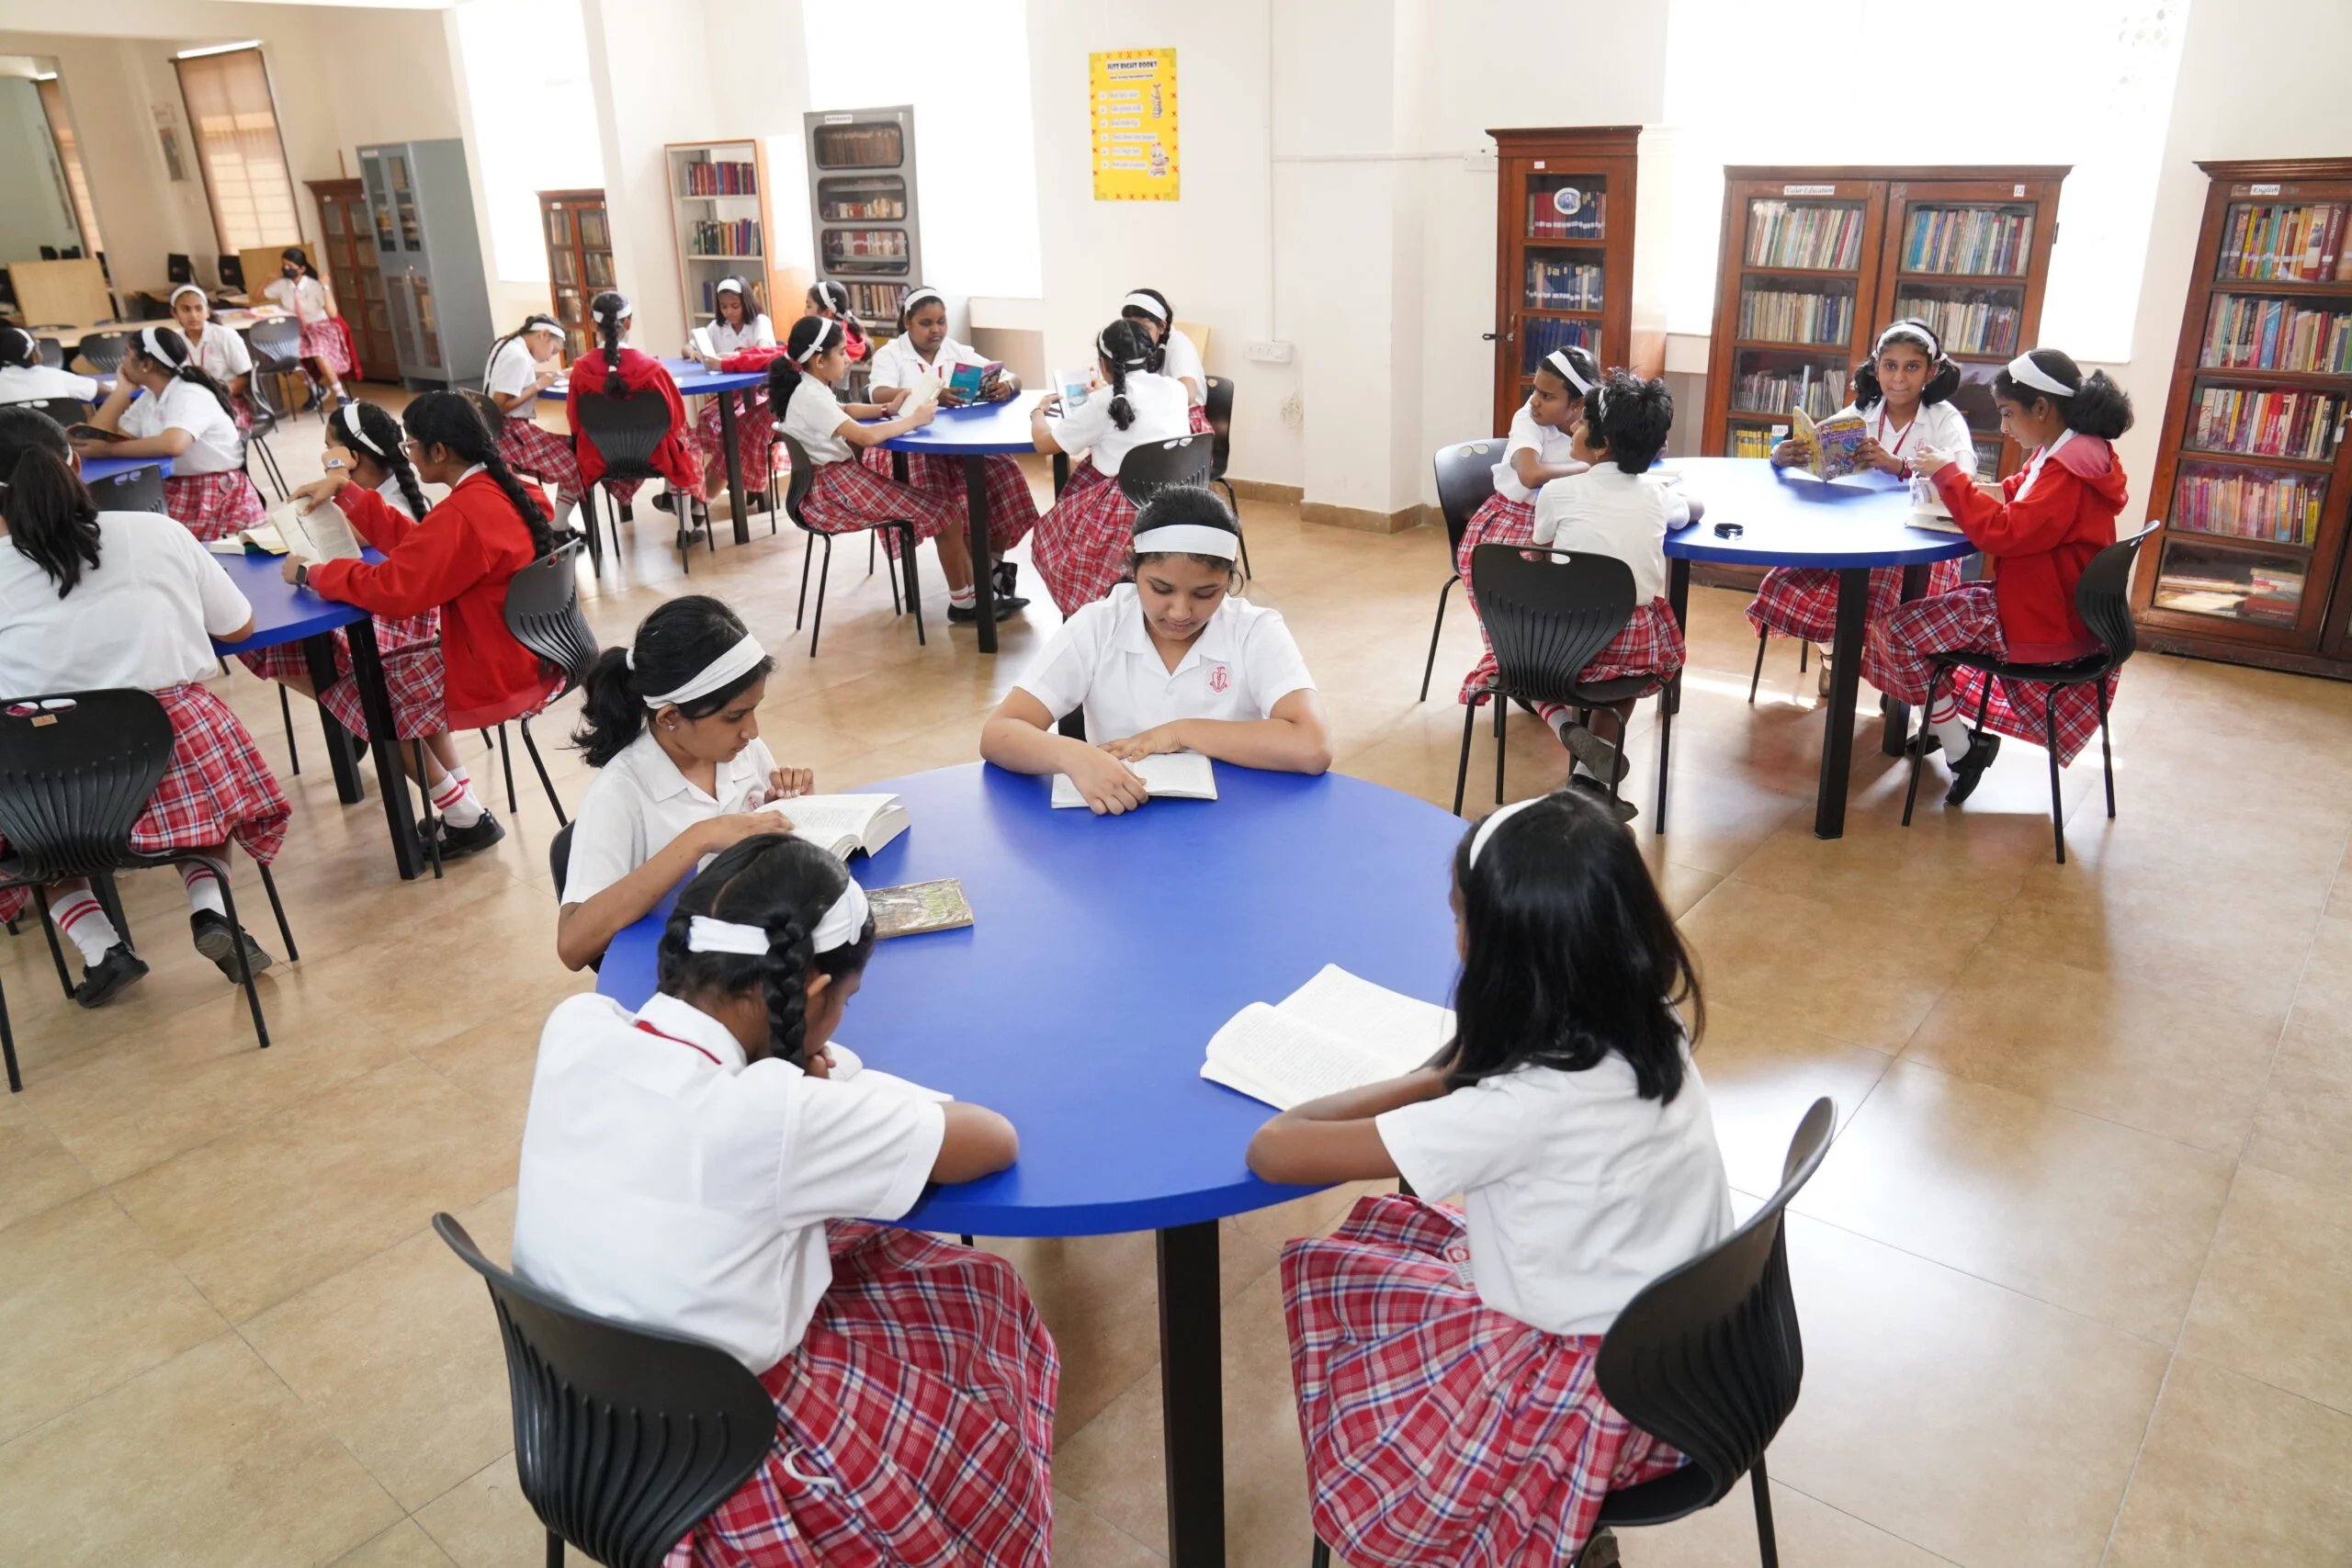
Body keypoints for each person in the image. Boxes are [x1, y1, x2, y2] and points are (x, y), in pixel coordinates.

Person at [513, 835, 1057, 1566]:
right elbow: (992, 1139)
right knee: (980, 1294)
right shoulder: (773, 1114)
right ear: (808, 990)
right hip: (725, 1462)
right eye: (847, 999)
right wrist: (810, 1081)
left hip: (574, 1428)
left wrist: (788, 1062)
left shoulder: (574, 1029)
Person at [1247, 789, 1732, 1568]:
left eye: (1458, 917)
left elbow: (1276, 1147)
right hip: (1690, 1355)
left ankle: (1546, 1528)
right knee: (1393, 1233)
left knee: (1340, 1281)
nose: (1455, 934)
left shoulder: (1517, 1107)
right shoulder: (1648, 1018)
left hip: (1591, 1397)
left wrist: (1443, 1073)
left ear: (1509, 958)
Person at [0, 409, 288, 1005]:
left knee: (29, 801)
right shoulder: (156, 532)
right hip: (167, 765)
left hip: (45, 793)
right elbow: (240, 626)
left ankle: (101, 946)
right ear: (76, 464)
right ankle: (210, 908)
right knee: (189, 719)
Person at [282, 391, 570, 859]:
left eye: (413, 445)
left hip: (494, 667)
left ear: (440, 451)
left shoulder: (467, 513)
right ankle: (464, 809)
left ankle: (463, 816)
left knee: (369, 692)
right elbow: (425, 548)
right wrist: (348, 492)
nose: (407, 456)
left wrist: (312, 573)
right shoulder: (500, 489)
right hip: (532, 651)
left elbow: (392, 590)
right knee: (395, 680)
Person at [1863, 346, 2135, 805]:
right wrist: (1951, 485)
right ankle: (1942, 726)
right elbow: (2013, 493)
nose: (2005, 428)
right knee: (1914, 622)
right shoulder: (2071, 451)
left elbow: (2004, 534)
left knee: (1895, 633)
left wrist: (1951, 478)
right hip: (2044, 599)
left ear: (2043, 408)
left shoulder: (2067, 472)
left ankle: (1959, 746)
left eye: (2009, 415)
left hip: (2038, 617)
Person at [980, 487, 1330, 812]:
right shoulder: (1098, 625)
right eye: (1161, 589)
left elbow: (1313, 746)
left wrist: (1179, 732)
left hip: (1234, 817)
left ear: (1229, 579)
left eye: (1205, 593)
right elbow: (999, 732)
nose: (1180, 612)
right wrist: (1073, 756)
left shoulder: (1254, 631)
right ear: (1133, 566)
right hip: (1120, 819)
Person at [556, 597, 817, 972]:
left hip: (757, 955)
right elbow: (572, 945)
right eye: (735, 717)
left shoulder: (743, 751)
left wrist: (790, 810)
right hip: (681, 979)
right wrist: (698, 839)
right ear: (671, 717)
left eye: (754, 710)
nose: (753, 731)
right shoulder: (620, 792)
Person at [1752, 319, 1974, 688]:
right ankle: (1832, 655)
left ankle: (1897, 677)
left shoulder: (1944, 420)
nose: (1899, 378)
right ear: (1876, 367)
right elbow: (1817, 441)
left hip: (1919, 546)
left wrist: (1900, 466)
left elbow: (1963, 481)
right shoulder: (1862, 413)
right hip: (1857, 536)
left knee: (1893, 595)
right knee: (1788, 582)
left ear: (1931, 372)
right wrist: (1782, 454)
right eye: (1890, 366)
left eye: (1912, 367)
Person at [1516, 371, 1691, 818]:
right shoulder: (1657, 492)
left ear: (1600, 443)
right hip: (1633, 645)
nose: (1573, 427)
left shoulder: (1556, 490)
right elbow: (1689, 511)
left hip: (1562, 644)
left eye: (1580, 423)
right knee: (1619, 685)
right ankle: (1589, 781)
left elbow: (1538, 550)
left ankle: (1566, 729)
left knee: (1509, 664)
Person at [770, 314, 1012, 624]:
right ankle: (965, 604)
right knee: (948, 514)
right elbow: (866, 436)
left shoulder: (809, 387)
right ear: (819, 360)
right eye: (842, 353)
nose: (847, 358)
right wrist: (914, 419)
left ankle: (973, 596)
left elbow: (845, 410)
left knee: (949, 513)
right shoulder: (810, 396)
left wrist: (888, 409)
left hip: (833, 481)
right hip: (833, 491)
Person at [235, 400, 443, 736]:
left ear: (352, 458)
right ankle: (349, 718)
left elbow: (326, 532)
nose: (325, 457)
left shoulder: (385, 505)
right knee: (286, 646)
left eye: (329, 448)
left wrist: (335, 472)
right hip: (379, 607)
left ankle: (351, 719)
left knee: (294, 648)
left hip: (394, 626)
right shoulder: (392, 492)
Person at [864, 285, 1038, 604]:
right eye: (926, 323)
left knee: (1006, 477)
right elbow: (878, 394)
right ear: (908, 322)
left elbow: (1012, 375)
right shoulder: (891, 354)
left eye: (941, 322)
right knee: (954, 501)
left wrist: (1007, 385)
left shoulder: (955, 351)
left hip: (959, 445)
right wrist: (929, 392)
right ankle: (966, 596)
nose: (936, 330)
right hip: (909, 447)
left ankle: (989, 570)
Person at [1454, 344, 1597, 710]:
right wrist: (1589, 468)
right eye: (1535, 390)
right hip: (1504, 529)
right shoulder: (1527, 420)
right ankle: (1528, 673)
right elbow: (1530, 475)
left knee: (1593, 580)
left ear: (1577, 405)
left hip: (1557, 525)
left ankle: (1555, 674)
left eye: (1547, 396)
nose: (1535, 401)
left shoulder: (1591, 425)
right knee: (1546, 596)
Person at [1025, 319, 1192, 615]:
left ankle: (1089, 614)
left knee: (1051, 534)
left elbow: (1045, 444)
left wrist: (1037, 412)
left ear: (1103, 364)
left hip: (1126, 510)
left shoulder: (1104, 403)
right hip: (1180, 502)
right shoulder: (1175, 390)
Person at [73, 325, 265, 541]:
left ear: (146, 364)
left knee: (139, 537)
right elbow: (96, 436)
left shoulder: (188, 393)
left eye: (127, 354)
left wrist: (108, 450)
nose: (122, 361)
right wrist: (121, 392)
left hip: (213, 491)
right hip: (175, 484)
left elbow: (174, 444)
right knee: (120, 527)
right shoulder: (151, 397)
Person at [565, 289, 712, 538]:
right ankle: (686, 528)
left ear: (593, 324)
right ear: (629, 322)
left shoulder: (580, 369)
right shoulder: (652, 368)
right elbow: (674, 419)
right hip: (654, 453)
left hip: (599, 455)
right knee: (685, 447)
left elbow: (575, 419)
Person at [482, 313, 582, 535]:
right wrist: (538, 385)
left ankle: (561, 524)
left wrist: (550, 376)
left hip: (496, 431)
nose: (550, 357)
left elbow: (515, 380)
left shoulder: (506, 344)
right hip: (510, 435)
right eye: (554, 350)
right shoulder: (517, 357)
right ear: (543, 335)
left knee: (574, 448)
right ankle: (557, 527)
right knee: (581, 458)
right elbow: (500, 405)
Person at [690, 276, 778, 501]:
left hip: (760, 393)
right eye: (723, 307)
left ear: (746, 302)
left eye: (735, 306)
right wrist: (692, 352)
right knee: (708, 419)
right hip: (730, 395)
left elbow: (764, 351)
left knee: (737, 427)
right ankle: (696, 491)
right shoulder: (716, 327)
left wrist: (732, 358)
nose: (729, 312)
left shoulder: (760, 322)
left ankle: (701, 498)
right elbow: (688, 347)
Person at [261, 247, 353, 411]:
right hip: (297, 329)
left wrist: (325, 287)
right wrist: (266, 278)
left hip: (320, 327)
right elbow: (257, 296)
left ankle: (340, 394)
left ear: (302, 269)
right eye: (284, 266)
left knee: (317, 352)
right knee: (283, 354)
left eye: (290, 266)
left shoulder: (314, 285)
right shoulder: (283, 285)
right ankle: (314, 387)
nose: (286, 269)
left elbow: (332, 313)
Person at [1119, 287, 1210, 432]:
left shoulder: (1179, 344)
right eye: (1129, 328)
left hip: (1181, 423)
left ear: (1161, 326)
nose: (1135, 335)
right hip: (1151, 420)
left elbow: (1188, 394)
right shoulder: (1132, 345)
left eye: (1144, 328)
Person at [168, 285, 254, 424]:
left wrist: (217, 393)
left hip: (228, 405)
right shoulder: (174, 342)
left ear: (207, 311)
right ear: (175, 313)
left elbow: (247, 378)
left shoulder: (225, 336)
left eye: (199, 308)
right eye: (185, 309)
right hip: (191, 407)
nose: (193, 315)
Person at [0, 325, 98, 408]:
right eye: (38, 347)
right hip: (58, 430)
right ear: (34, 355)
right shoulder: (56, 376)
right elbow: (100, 389)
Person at [806, 279, 869, 363]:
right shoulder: (849, 331)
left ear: (828, 312)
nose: (805, 311)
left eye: (808, 306)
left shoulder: (827, 341)